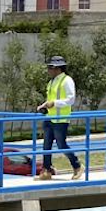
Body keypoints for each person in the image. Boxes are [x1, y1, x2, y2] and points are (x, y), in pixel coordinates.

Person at [36, 53, 84, 181]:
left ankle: (77, 166)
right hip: (49, 117)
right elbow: (50, 99)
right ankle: (46, 170)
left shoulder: (67, 80)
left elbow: (71, 99)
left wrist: (54, 103)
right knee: (46, 146)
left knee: (61, 144)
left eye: (50, 68)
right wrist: (44, 106)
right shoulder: (51, 82)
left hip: (61, 119)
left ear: (58, 68)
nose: (48, 70)